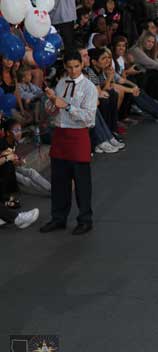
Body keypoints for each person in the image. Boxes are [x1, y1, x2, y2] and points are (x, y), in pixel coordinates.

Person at [40, 50, 98, 235]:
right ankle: (58, 218)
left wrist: (67, 106)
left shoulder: (89, 88)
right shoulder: (61, 83)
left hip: (78, 136)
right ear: (65, 67)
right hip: (60, 135)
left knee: (82, 183)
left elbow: (89, 118)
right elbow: (52, 111)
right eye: (70, 67)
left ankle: (85, 219)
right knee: (59, 181)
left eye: (76, 66)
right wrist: (50, 101)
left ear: (82, 65)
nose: (73, 71)